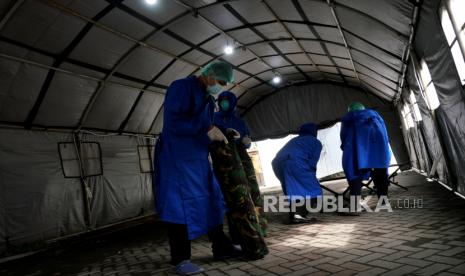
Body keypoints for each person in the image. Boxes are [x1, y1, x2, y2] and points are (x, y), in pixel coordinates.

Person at [153, 61, 240, 275]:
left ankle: (222, 247)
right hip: (177, 159)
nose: (221, 86)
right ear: (208, 74)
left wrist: (223, 131)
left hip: (198, 159)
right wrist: (208, 128)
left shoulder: (209, 100)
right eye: (220, 81)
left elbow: (206, 125)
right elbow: (174, 123)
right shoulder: (181, 87)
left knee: (212, 199)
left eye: (224, 84)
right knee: (178, 207)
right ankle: (181, 259)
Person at [211, 91, 268, 257]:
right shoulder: (214, 118)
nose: (224, 103)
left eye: (227, 100)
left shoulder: (239, 120)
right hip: (224, 160)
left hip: (242, 159)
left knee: (248, 195)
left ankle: (256, 230)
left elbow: (246, 138)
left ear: (233, 102)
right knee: (231, 198)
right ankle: (237, 235)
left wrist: (246, 141)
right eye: (221, 100)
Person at [340, 102, 391, 212]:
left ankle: (354, 207)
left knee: (355, 175)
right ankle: (384, 203)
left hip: (358, 153)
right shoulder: (376, 117)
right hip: (379, 152)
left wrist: (345, 147)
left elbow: (344, 137)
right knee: (381, 175)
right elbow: (385, 135)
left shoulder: (348, 119)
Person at [272, 123, 323, 224]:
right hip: (294, 162)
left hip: (277, 163)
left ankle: (295, 215)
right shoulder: (315, 142)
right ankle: (299, 215)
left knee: (293, 190)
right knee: (313, 189)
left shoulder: (294, 140)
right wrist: (312, 175)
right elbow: (313, 162)